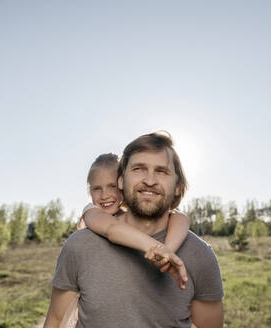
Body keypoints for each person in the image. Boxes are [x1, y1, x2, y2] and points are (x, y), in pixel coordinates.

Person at [44, 132, 224, 328]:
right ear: (121, 180)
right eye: (138, 169)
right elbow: (55, 321)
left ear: (178, 186)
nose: (149, 180)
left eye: (162, 171)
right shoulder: (80, 245)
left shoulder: (200, 255)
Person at [57, 153, 192, 327]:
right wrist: (156, 247)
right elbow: (112, 229)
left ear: (122, 184)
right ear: (89, 191)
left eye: (112, 186)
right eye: (96, 188)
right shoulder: (92, 212)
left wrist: (168, 250)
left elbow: (182, 218)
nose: (104, 195)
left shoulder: (132, 214)